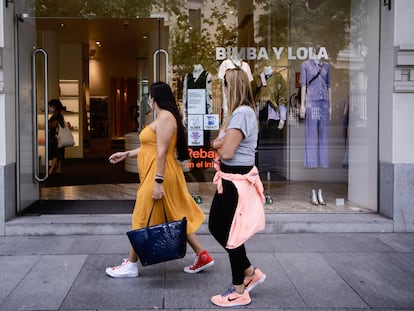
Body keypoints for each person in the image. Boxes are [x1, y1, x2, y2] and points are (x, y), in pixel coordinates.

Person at [105, 81, 214, 278]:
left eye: (149, 96)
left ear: (154, 98)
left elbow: (162, 152)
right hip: (159, 172)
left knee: (141, 213)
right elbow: (151, 147)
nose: (148, 99)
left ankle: (130, 264)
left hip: (160, 174)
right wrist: (127, 154)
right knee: (174, 213)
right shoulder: (163, 117)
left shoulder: (165, 117)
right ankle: (202, 255)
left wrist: (158, 182)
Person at [209, 68, 266, 307]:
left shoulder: (241, 113)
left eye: (224, 85)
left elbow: (227, 151)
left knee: (229, 233)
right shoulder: (237, 113)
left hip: (235, 180)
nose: (221, 90)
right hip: (230, 179)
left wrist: (220, 146)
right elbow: (219, 144)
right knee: (218, 227)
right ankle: (250, 272)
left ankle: (239, 289)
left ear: (232, 87)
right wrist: (220, 145)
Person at [48, 99, 65, 175]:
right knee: (59, 153)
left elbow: (53, 125)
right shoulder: (57, 116)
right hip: (57, 137)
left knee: (56, 153)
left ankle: (51, 169)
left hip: (57, 138)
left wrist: (47, 125)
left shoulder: (58, 116)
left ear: (54, 107)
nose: (49, 107)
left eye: (50, 106)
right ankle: (58, 169)